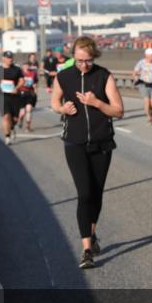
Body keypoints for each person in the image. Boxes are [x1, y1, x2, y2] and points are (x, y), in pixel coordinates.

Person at [52, 36, 124, 269]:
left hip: (102, 143)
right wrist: (62, 108)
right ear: (73, 55)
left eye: (88, 61)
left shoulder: (104, 76)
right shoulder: (64, 76)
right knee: (84, 194)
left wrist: (97, 103)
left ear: (95, 57)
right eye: (80, 60)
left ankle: (91, 233)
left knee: (96, 193)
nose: (83, 65)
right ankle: (86, 250)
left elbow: (118, 111)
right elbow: (54, 102)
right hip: (74, 142)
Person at [0, 51, 24, 146]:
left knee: (15, 119)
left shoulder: (17, 69)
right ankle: (7, 137)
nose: (10, 59)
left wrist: (17, 88)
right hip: (2, 96)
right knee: (6, 116)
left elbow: (22, 80)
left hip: (15, 97)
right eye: (8, 58)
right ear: (3, 58)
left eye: (11, 57)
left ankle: (12, 127)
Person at [133, 47, 152, 124]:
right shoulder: (141, 62)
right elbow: (135, 71)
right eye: (151, 55)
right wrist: (136, 76)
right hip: (143, 84)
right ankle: (149, 117)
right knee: (146, 101)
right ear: (146, 55)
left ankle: (151, 111)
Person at [18, 55, 39, 132]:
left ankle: (28, 126)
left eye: (27, 66)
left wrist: (36, 93)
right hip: (21, 93)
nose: (26, 67)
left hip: (30, 93)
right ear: (22, 67)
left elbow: (35, 83)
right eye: (24, 66)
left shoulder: (33, 74)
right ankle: (20, 119)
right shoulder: (20, 74)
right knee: (22, 112)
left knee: (29, 109)